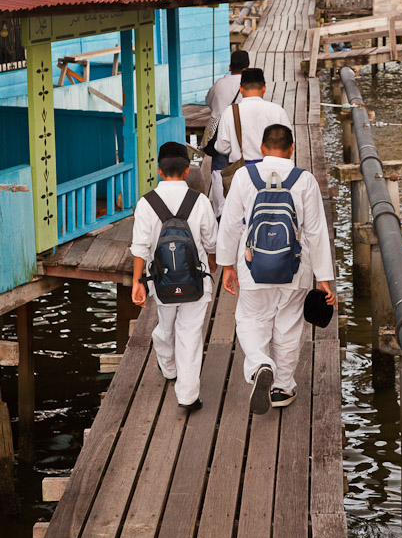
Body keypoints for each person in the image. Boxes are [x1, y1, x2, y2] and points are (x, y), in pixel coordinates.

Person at [216, 124, 336, 414]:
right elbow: (317, 232)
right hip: (295, 267)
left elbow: (230, 225)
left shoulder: (245, 177)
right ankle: (282, 387)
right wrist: (324, 279)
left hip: (252, 264)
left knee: (251, 319)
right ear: (292, 148)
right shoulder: (304, 180)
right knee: (288, 324)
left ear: (262, 148)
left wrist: (226, 266)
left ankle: (259, 364)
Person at [130, 142, 218, 411]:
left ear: (158, 170)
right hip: (196, 280)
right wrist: (211, 265)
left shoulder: (147, 203)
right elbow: (212, 242)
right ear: (187, 170)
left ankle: (169, 367)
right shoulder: (199, 201)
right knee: (190, 334)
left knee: (166, 326)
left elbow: (140, 248)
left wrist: (138, 282)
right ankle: (188, 396)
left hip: (161, 283)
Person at [215, 68, 292, 166]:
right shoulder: (277, 110)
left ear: (241, 89)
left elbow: (222, 148)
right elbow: (289, 142)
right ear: (264, 88)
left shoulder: (230, 111)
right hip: (271, 169)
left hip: (241, 170)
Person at [205, 49, 249, 218]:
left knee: (217, 171)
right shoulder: (247, 86)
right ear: (247, 68)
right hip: (241, 133)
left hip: (219, 132)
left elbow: (208, 101)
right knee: (241, 167)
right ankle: (241, 209)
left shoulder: (219, 84)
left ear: (230, 67)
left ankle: (220, 211)